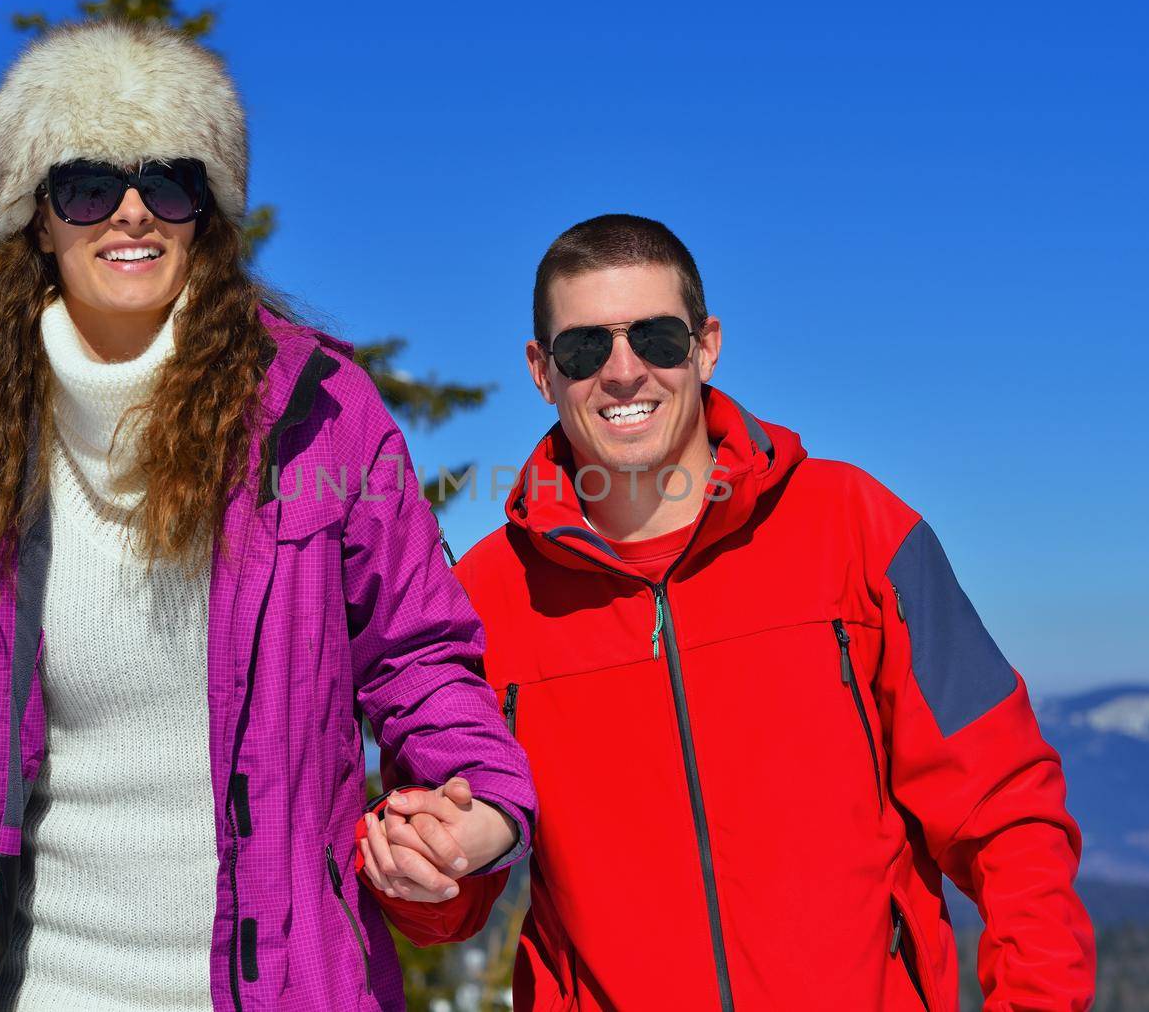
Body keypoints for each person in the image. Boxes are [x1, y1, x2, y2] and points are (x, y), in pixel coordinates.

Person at [0, 20, 534, 1012]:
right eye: (88, 184)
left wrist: (488, 804)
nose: (131, 214)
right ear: (39, 219)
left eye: (168, 182)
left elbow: (415, 657)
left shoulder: (319, 414)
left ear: (201, 212)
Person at [358, 214, 1096, 1010]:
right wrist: (421, 874)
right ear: (541, 370)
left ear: (706, 344)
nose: (624, 371)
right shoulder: (483, 598)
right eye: (584, 349)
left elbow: (1007, 808)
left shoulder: (856, 529)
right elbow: (447, 903)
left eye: (658, 338)